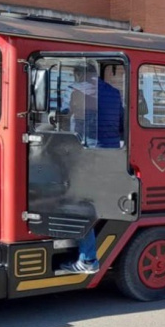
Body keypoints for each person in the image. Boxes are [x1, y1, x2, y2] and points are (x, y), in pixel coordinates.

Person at [60, 64, 124, 274]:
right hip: (111, 157)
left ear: (80, 73)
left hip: (87, 157)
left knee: (77, 205)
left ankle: (88, 259)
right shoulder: (114, 93)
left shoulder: (76, 90)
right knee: (94, 204)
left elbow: (62, 120)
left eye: (74, 74)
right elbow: (122, 125)